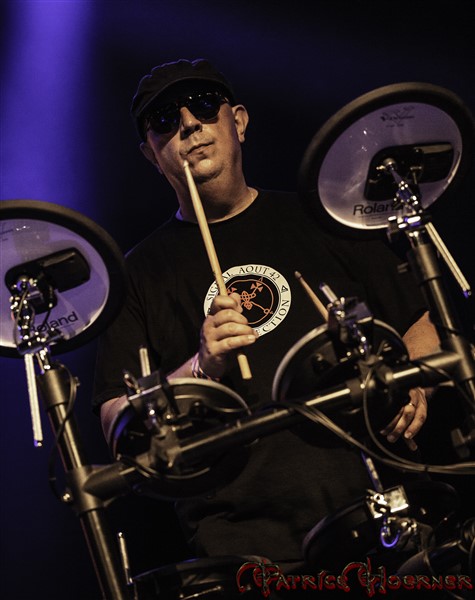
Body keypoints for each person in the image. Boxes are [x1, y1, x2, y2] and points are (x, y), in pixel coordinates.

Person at [93, 58, 441, 593]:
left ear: (239, 122)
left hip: (378, 519)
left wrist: (414, 383)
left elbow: (419, 322)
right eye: (164, 120)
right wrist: (199, 368)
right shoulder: (136, 274)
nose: (188, 124)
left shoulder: (324, 217)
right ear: (151, 154)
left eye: (203, 106)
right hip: (243, 553)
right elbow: (116, 421)